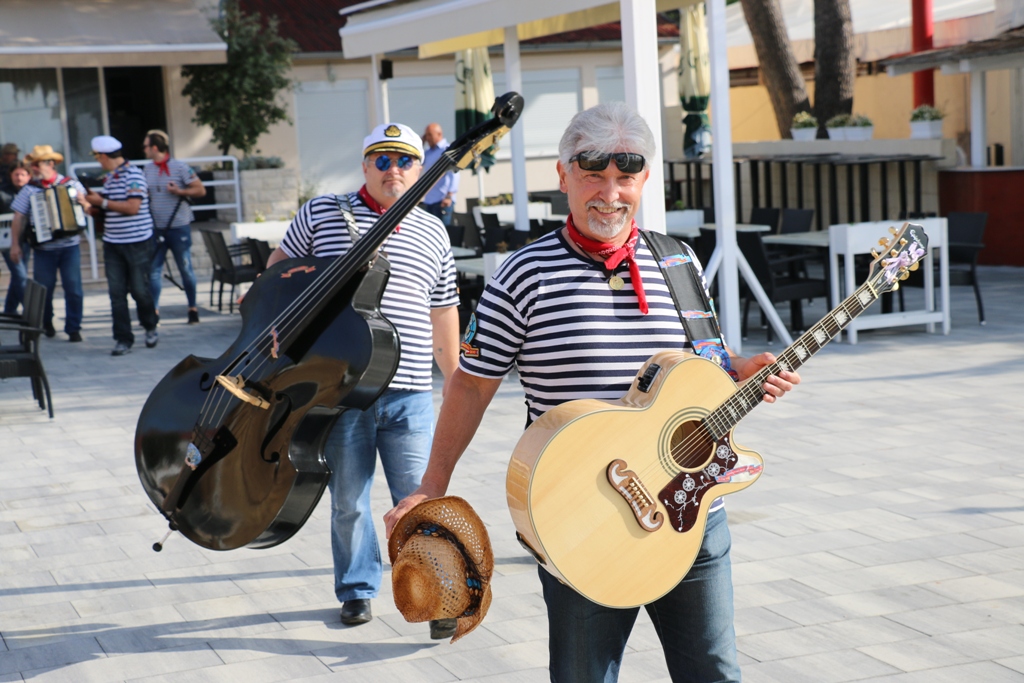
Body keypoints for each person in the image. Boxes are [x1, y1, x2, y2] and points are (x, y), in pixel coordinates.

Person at [384, 103, 801, 682]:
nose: (610, 194)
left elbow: (703, 365)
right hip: (582, 520)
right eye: (593, 175)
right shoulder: (523, 274)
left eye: (625, 177)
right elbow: (472, 385)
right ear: (562, 177)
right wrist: (430, 488)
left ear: (644, 180)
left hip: (693, 515)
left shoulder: (679, 262)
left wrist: (738, 368)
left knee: (714, 673)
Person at [264, 122, 461, 639]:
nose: (393, 170)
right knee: (349, 499)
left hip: (413, 389)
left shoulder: (433, 228)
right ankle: (357, 589)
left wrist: (455, 378)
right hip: (343, 388)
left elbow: (443, 312)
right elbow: (278, 269)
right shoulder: (323, 213)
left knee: (421, 499)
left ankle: (437, 593)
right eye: (382, 159)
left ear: (420, 171)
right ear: (365, 165)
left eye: (404, 161)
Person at [82, 135, 159, 356]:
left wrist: (102, 202)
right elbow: (109, 209)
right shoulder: (111, 177)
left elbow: (133, 207)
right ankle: (123, 339)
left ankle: (150, 324)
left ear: (104, 156)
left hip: (137, 242)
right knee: (116, 293)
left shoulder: (134, 174)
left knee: (139, 290)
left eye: (98, 157)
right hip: (113, 242)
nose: (98, 162)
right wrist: (91, 207)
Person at [8, 146, 87, 341]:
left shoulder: (72, 184)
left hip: (70, 246)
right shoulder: (30, 190)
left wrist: (83, 203)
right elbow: (18, 217)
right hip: (44, 249)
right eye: (32, 164)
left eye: (37, 164)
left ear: (51, 164)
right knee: (45, 290)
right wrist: (15, 244)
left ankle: (74, 328)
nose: (33, 168)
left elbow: (87, 207)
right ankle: (47, 323)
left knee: (74, 288)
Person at [142, 129, 205, 324]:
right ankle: (155, 311)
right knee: (154, 271)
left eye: (145, 146)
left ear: (154, 147)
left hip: (178, 227)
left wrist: (179, 191)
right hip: (156, 228)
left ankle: (192, 308)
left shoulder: (180, 167)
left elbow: (200, 190)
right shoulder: (147, 169)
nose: (143, 150)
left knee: (185, 268)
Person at [1, 162, 32, 316]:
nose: (19, 178)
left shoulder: (33, 191)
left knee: (19, 275)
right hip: (7, 241)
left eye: (22, 174)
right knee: (20, 275)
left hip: (26, 240)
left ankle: (9, 310)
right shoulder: (2, 193)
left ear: (28, 176)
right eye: (16, 174)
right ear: (11, 176)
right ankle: (30, 311)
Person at [420, 123, 459, 227]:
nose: (428, 138)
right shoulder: (428, 153)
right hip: (430, 200)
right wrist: (420, 143)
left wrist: (449, 196)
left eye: (430, 135)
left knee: (444, 232)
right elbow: (417, 163)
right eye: (426, 135)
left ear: (439, 134)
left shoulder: (447, 150)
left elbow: (454, 174)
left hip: (442, 200)